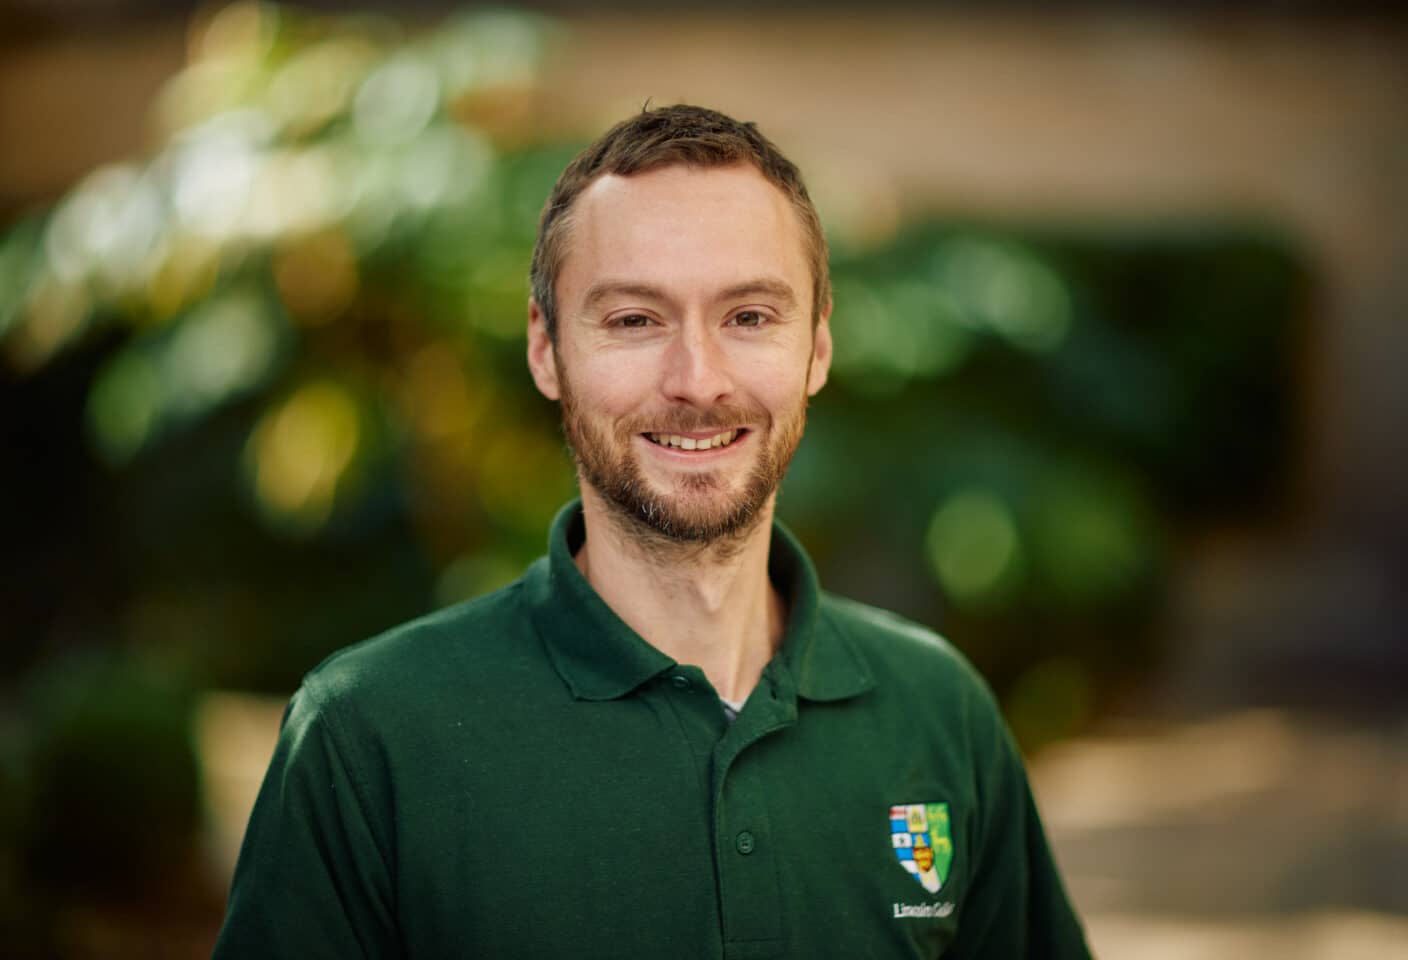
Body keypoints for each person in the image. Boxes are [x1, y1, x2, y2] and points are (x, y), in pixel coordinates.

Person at [213, 104, 1092, 959]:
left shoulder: (939, 711)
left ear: (818, 348)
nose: (697, 380)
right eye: (635, 319)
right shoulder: (369, 737)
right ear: (546, 349)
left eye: (749, 316)